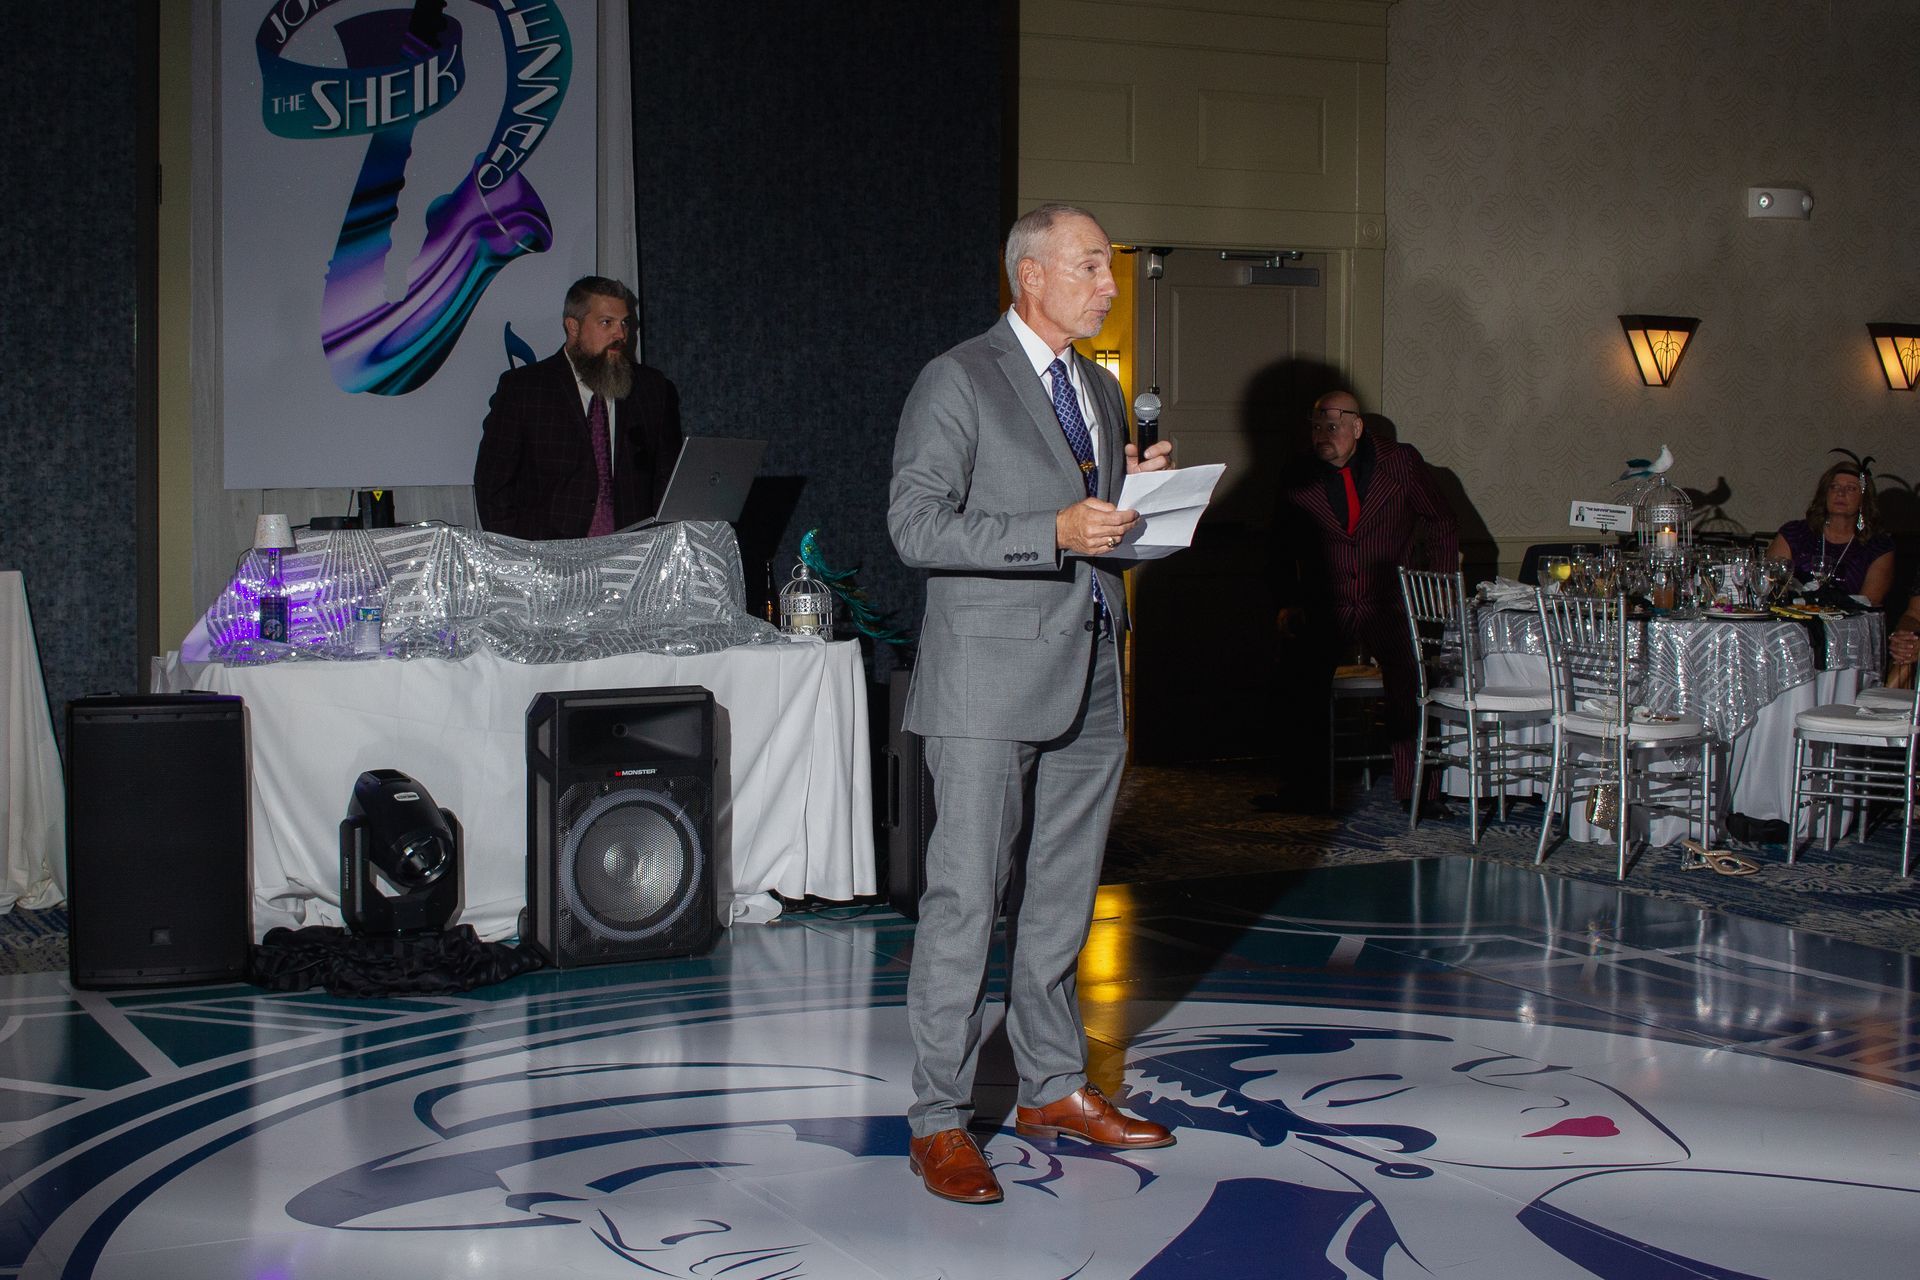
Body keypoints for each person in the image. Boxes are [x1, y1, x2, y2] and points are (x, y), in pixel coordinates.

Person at [887, 203, 1176, 1204]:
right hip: (983, 684)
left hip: (1091, 667)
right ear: (1031, 277)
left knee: (1063, 897)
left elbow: (1096, 535)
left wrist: (1138, 508)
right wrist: (1052, 528)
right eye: (1090, 266)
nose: (1107, 282)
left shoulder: (1097, 388)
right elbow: (914, 523)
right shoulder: (958, 378)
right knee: (967, 899)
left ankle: (1052, 1083)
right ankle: (939, 1115)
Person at [1269, 390, 1459, 813]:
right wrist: (1288, 601)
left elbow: (1441, 520)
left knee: (1409, 680)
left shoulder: (1401, 463)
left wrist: (1440, 589)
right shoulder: (1298, 472)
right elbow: (1281, 545)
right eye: (1316, 425)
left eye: (1332, 426)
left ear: (1357, 427)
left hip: (1390, 601)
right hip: (1328, 603)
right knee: (1298, 680)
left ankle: (1417, 793)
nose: (1322, 435)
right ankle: (1303, 791)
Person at [472, 276, 682, 540]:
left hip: (630, 556)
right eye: (607, 323)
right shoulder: (524, 389)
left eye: (625, 323)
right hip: (548, 559)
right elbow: (493, 485)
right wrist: (517, 556)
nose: (620, 335)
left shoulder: (652, 388)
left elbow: (667, 478)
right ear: (573, 326)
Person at [1765, 460, 1894, 605]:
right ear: (1825, 494)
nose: (1840, 493)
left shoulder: (1878, 546)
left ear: (1864, 499)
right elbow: (1770, 587)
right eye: (1834, 487)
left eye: (1851, 488)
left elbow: (1870, 601)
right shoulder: (1794, 534)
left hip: (1850, 623)